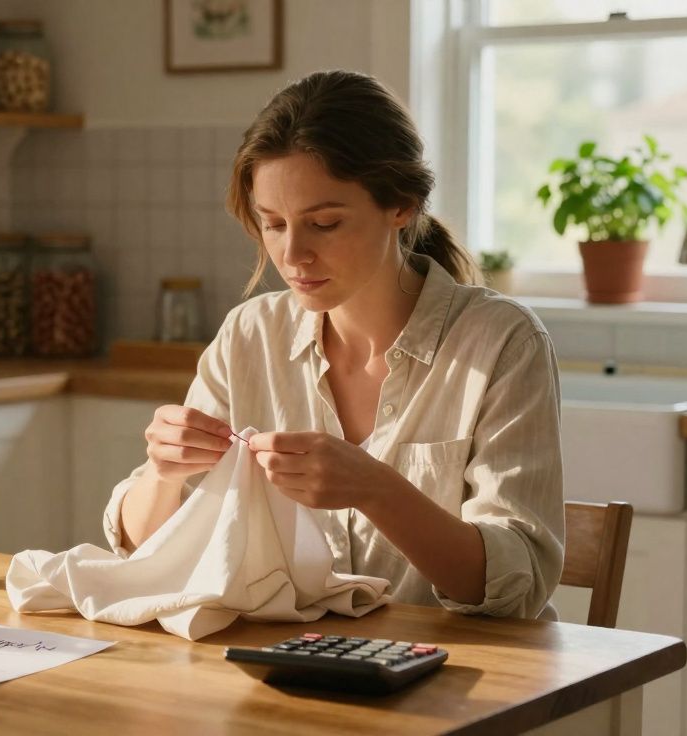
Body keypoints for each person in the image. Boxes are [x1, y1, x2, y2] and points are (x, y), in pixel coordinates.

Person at [102, 70, 564, 619]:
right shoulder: (249, 335)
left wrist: (377, 490)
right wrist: (162, 472)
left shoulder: (502, 342)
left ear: (403, 205)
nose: (292, 255)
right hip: (281, 669)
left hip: (453, 681)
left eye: (323, 223)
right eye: (272, 224)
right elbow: (145, 550)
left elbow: (517, 589)